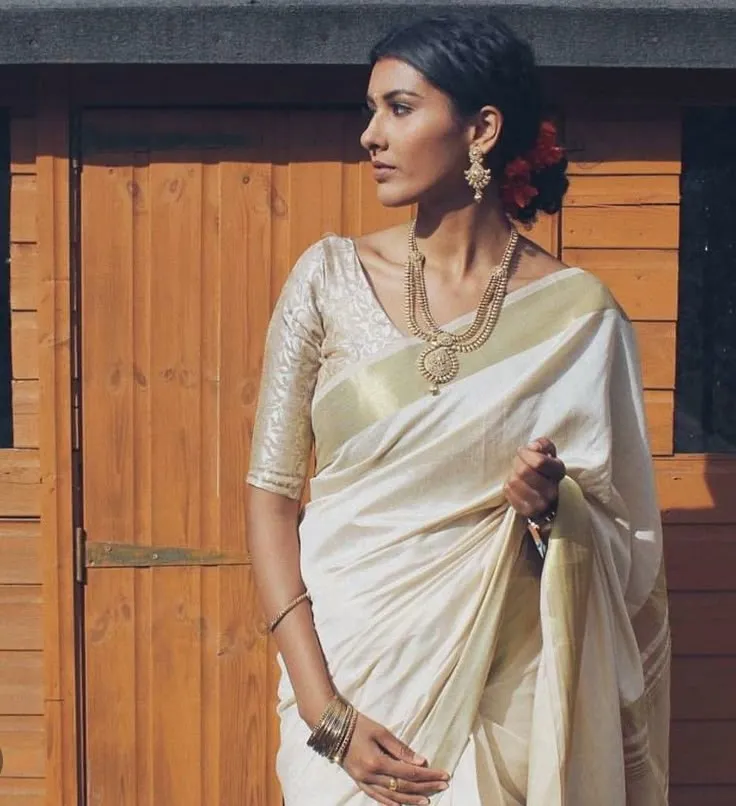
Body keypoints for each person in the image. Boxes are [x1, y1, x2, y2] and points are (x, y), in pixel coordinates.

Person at [245, 13, 670, 806]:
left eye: (399, 108)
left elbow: (626, 545)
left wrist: (553, 511)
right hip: (351, 677)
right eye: (371, 109)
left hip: (505, 693)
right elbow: (270, 500)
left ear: (482, 129)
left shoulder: (579, 319)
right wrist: (323, 711)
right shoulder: (327, 280)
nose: (370, 134)